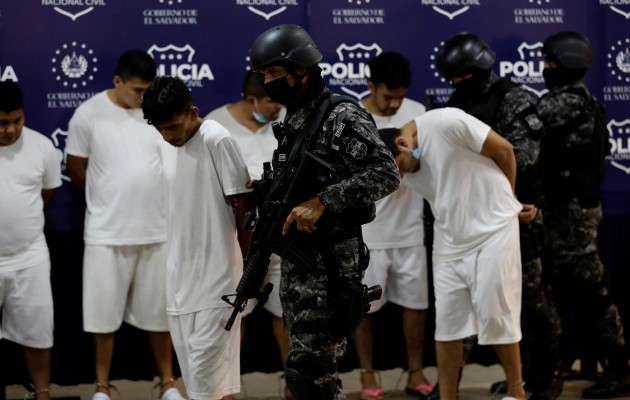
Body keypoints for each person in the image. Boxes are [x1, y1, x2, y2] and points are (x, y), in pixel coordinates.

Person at [248, 24, 400, 400]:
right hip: (300, 263)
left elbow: (386, 173)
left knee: (310, 375)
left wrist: (324, 201)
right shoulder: (296, 119)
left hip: (330, 265)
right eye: (263, 75)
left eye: (274, 73)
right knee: (312, 377)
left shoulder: (341, 114)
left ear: (301, 69)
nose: (268, 82)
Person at [435, 33, 563, 400]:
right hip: (468, 222)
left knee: (532, 304)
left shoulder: (515, 99)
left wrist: (477, 172)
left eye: (462, 76)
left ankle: (543, 380)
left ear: (480, 68)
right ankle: (450, 388)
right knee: (466, 311)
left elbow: (523, 156)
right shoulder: (458, 101)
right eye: (453, 79)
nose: (457, 84)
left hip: (515, 215)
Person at [381, 108, 526, 400]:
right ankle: (449, 397)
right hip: (449, 239)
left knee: (495, 311)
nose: (400, 176)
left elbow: (505, 150)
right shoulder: (404, 156)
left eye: (399, 167)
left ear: (401, 144)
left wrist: (509, 201)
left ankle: (516, 391)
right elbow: (421, 161)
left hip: (494, 230)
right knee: (447, 323)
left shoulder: (446, 121)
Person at [65, 50, 184, 400]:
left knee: (160, 317)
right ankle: (102, 386)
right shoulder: (88, 114)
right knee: (102, 318)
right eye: (137, 89)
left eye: (148, 89)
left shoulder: (158, 111)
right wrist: (108, 198)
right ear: (117, 81)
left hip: (158, 230)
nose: (143, 97)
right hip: (106, 232)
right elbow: (75, 168)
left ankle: (167, 382)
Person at [141, 75, 254, 400]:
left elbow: (244, 207)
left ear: (192, 111)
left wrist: (247, 271)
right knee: (209, 388)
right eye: (160, 129)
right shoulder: (167, 144)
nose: (167, 135)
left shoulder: (216, 138)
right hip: (180, 286)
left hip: (217, 286)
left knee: (206, 388)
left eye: (172, 127)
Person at [537, 31, 630, 399]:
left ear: (564, 66)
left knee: (592, 294)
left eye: (549, 63)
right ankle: (549, 372)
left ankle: (620, 370)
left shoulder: (569, 102)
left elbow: (527, 121)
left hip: (572, 215)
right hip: (561, 211)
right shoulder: (577, 100)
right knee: (552, 293)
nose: (544, 69)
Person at [205, 70, 292, 399]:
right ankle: (226, 388)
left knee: (286, 312)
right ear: (252, 99)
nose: (277, 108)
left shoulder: (286, 121)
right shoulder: (215, 126)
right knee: (234, 313)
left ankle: (292, 383)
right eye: (272, 102)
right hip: (236, 237)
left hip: (282, 234)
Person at [354, 51, 432, 400]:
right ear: (371, 86)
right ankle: (367, 373)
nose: (396, 103)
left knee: (416, 305)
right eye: (388, 97)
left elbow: (430, 161)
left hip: (410, 228)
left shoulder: (419, 114)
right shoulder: (351, 114)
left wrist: (411, 160)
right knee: (364, 309)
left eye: (400, 96)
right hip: (367, 232)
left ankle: (416, 370)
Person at [0, 81, 61, 400]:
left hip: (29, 257)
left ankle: (43, 393)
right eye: (2, 122)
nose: (11, 130)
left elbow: (47, 194)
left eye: (17, 120)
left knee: (39, 334)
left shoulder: (41, 147)